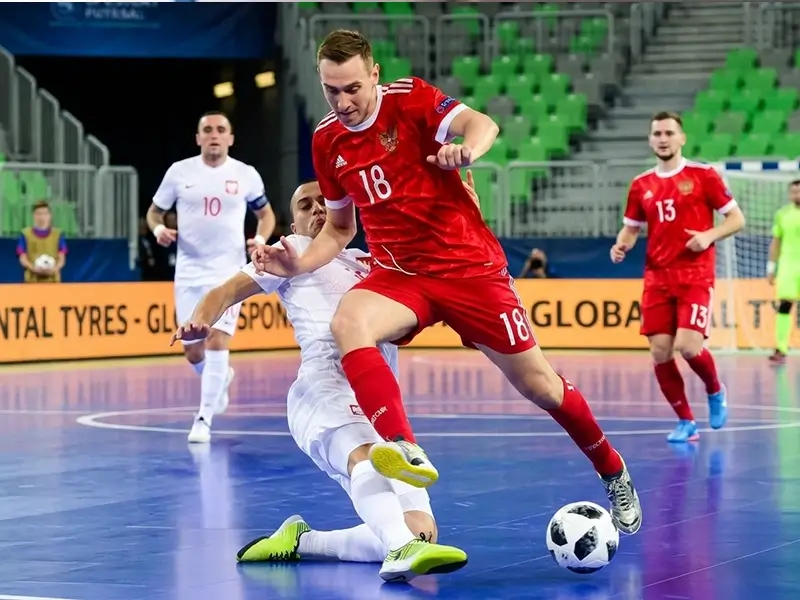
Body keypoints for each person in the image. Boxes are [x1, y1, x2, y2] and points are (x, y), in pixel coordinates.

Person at [250, 29, 642, 535]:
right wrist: (299, 264)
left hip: (469, 270)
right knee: (349, 322)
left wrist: (468, 150)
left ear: (374, 75)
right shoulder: (327, 139)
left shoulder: (410, 98)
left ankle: (612, 469)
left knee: (541, 386)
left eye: (352, 88)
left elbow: (482, 124)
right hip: (401, 273)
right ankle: (402, 446)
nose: (342, 102)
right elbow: (341, 229)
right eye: (331, 90)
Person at [170, 180, 468, 583]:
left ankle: (304, 541)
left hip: (378, 402)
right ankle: (401, 549)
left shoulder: (371, 263)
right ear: (294, 223)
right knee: (370, 460)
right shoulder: (290, 253)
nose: (317, 209)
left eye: (325, 201)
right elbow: (223, 292)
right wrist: (200, 320)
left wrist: (460, 214)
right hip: (324, 391)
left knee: (422, 531)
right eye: (305, 205)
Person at [611, 111, 746, 443]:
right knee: (660, 352)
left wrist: (709, 236)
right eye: (657, 133)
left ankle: (715, 389)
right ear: (650, 140)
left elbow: (736, 219)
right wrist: (622, 244)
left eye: (669, 133)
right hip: (657, 278)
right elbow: (631, 228)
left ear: (682, 138)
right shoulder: (641, 184)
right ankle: (686, 421)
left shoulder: (703, 175)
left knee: (688, 346)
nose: (663, 139)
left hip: (695, 276)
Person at [147, 111, 276, 444]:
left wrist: (260, 239)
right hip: (189, 271)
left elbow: (266, 214)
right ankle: (219, 377)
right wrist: (158, 230)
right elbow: (154, 212)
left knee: (217, 338)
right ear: (198, 137)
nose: (214, 135)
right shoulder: (179, 172)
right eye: (207, 130)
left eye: (221, 130)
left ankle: (203, 420)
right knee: (192, 349)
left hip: (227, 271)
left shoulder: (245, 174)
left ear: (230, 138)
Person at [767, 179, 800, 364]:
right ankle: (781, 348)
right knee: (785, 305)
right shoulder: (782, 214)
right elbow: (776, 241)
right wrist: (771, 267)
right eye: (794, 192)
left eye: (799, 191)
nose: (797, 195)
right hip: (788, 266)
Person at [17, 200, 67, 283]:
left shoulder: (58, 234)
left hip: (53, 281)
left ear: (50, 215)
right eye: (39, 214)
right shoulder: (25, 234)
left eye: (45, 213)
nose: (42, 217)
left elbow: (62, 258)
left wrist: (54, 269)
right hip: (32, 281)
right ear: (34, 215)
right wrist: (34, 268)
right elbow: (23, 258)